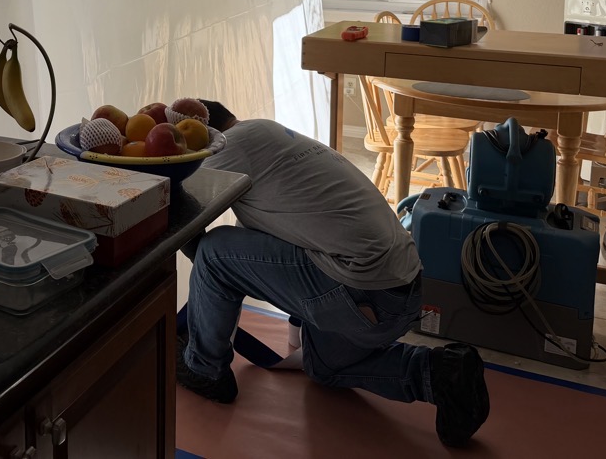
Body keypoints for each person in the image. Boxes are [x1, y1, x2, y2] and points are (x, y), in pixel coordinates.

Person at [177, 100, 489, 448]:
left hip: (361, 290)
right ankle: (442, 373)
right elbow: (255, 254)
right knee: (326, 368)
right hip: (400, 293)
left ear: (202, 132)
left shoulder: (227, 145)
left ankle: (205, 371)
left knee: (214, 250)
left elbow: (184, 217)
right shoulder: (269, 135)